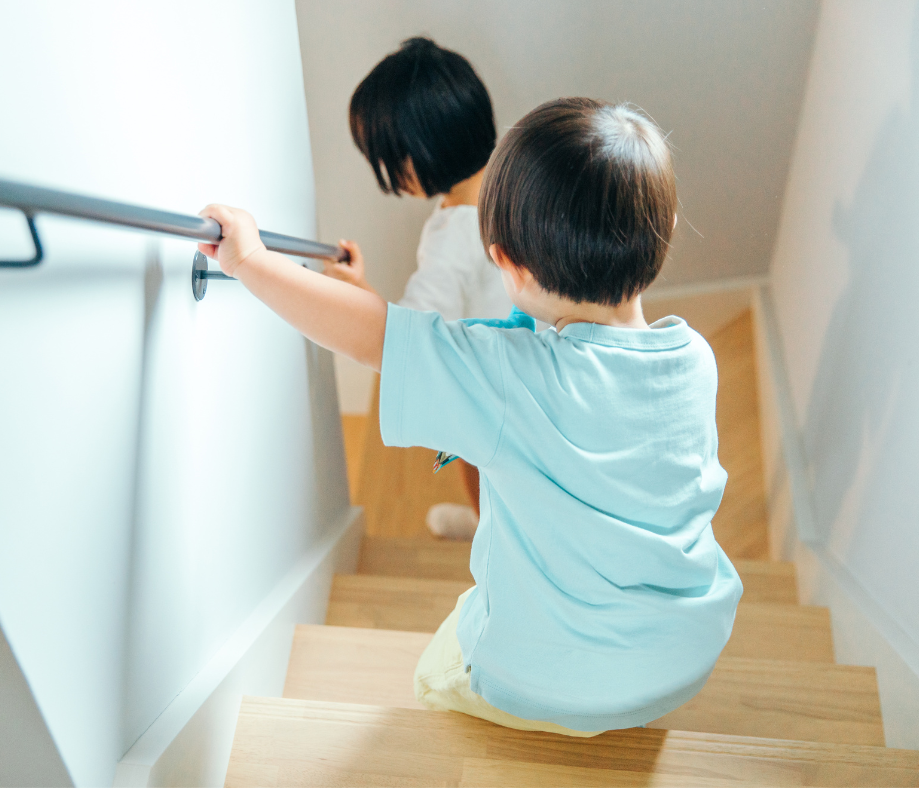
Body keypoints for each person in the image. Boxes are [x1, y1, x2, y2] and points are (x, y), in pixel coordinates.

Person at [197, 97, 743, 734]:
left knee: (441, 663)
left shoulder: (508, 374)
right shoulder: (695, 360)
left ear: (508, 266)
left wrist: (249, 260)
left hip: (542, 684)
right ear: (667, 227)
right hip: (683, 660)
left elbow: (377, 338)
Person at [324, 36, 510, 540]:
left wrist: (358, 292)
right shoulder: (516, 179)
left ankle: (489, 530)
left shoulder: (454, 237)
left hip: (489, 385)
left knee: (478, 457)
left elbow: (407, 337)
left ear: (422, 153)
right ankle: (493, 523)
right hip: (530, 359)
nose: (388, 174)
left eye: (389, 159)